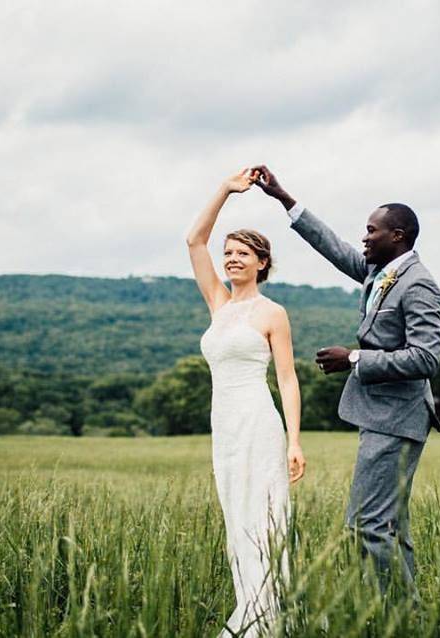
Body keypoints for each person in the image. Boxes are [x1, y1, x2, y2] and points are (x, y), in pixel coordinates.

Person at [252, 165, 440, 600]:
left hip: (396, 418)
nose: (364, 237)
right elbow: (335, 249)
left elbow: (426, 357)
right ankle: (405, 615)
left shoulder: (418, 285)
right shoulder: (381, 272)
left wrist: (354, 358)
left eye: (371, 230)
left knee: (367, 523)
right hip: (384, 416)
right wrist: (285, 198)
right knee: (389, 524)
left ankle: (401, 614)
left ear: (397, 236)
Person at [186, 168, 306, 636]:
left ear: (261, 262)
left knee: (263, 518)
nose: (231, 259)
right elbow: (195, 242)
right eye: (229, 253)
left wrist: (295, 441)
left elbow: (288, 380)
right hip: (225, 428)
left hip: (259, 424)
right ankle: (251, 606)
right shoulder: (218, 303)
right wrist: (224, 190)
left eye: (242, 254)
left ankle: (265, 619)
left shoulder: (272, 313)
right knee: (237, 519)